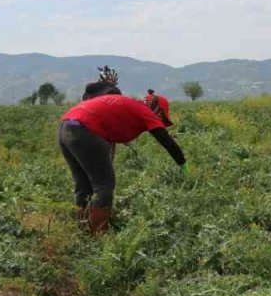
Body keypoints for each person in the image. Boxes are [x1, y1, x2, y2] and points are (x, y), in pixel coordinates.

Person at [59, 92, 186, 234]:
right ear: (156, 109)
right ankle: (98, 233)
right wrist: (184, 166)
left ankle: (83, 230)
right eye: (162, 116)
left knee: (83, 185)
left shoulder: (130, 104)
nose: (161, 120)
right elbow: (166, 141)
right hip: (85, 129)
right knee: (104, 185)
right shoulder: (145, 111)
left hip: (67, 127)